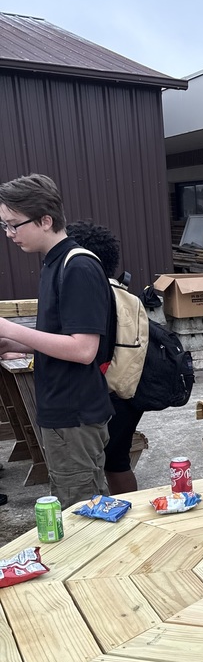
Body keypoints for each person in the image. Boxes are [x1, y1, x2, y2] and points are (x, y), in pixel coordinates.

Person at [0, 174, 113, 508]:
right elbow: (61, 340)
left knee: (83, 512)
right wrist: (14, 345)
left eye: (13, 225)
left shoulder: (77, 266)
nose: (9, 234)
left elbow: (82, 349)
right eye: (4, 225)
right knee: (76, 504)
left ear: (45, 220)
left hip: (74, 414)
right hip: (63, 411)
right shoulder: (54, 262)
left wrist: (9, 329)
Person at [66, 220, 143, 494]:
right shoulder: (127, 295)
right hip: (131, 389)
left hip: (103, 393)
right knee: (118, 460)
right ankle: (133, 519)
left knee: (99, 464)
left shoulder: (93, 293)